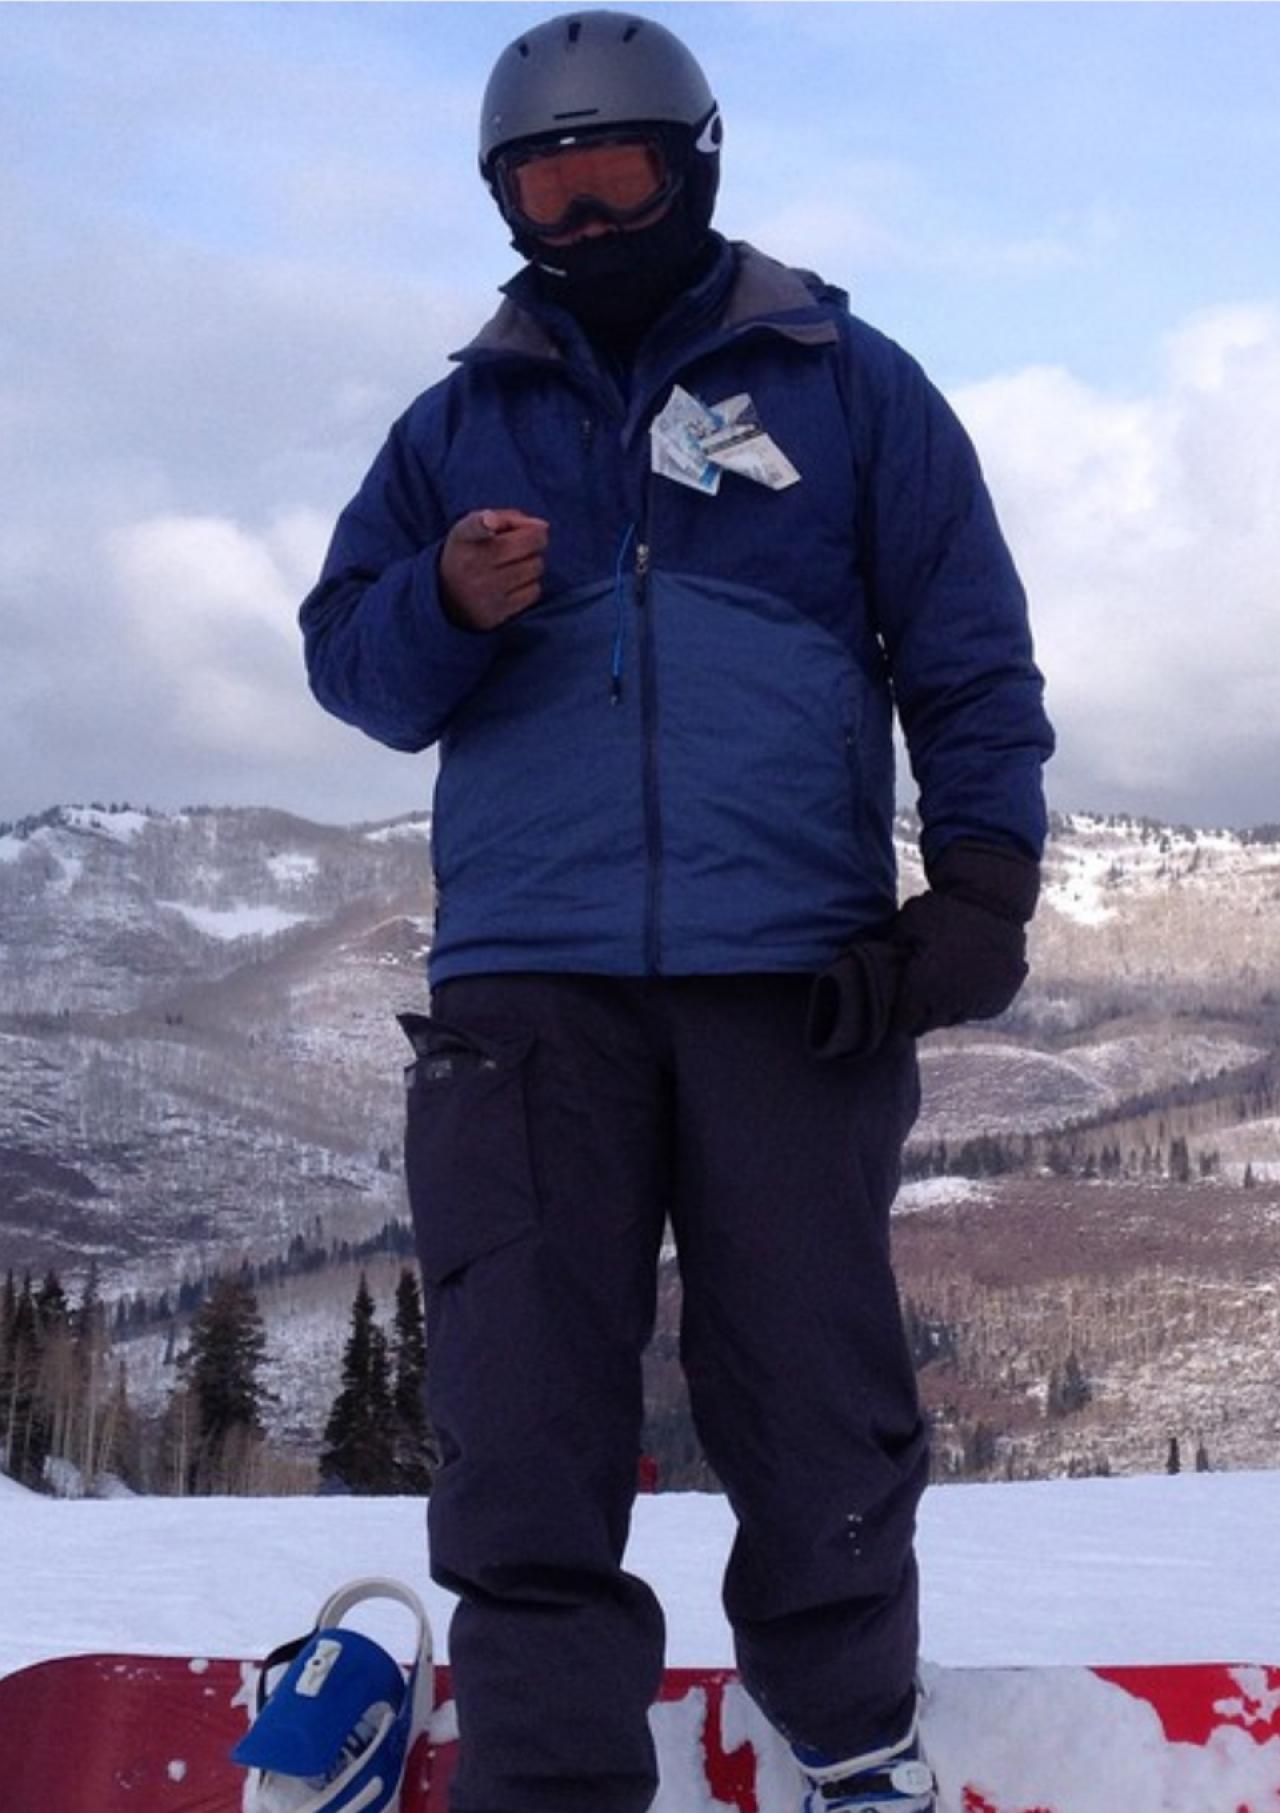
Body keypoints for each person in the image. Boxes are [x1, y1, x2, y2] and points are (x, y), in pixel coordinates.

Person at [299, 12, 1054, 1813]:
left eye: (608, 178)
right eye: (536, 189)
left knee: (813, 1392)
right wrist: (447, 606)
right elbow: (351, 665)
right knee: (527, 1414)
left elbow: (968, 654)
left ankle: (851, 1740)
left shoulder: (851, 385)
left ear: (693, 168)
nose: (574, 218)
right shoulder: (456, 420)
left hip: (792, 976)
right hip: (524, 997)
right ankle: (551, 1780)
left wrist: (981, 888)